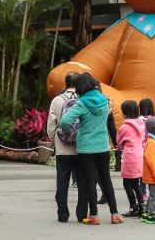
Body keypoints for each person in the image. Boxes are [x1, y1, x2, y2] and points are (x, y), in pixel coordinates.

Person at [60, 72, 123, 225]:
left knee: (90, 180)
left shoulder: (81, 103)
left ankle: (94, 215)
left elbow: (65, 121)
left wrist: (71, 130)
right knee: (106, 179)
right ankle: (115, 214)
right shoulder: (104, 101)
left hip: (86, 148)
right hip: (103, 146)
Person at [46, 71, 81, 223]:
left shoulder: (57, 100)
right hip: (81, 148)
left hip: (62, 148)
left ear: (65, 83)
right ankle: (81, 213)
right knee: (83, 182)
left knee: (62, 182)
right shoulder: (83, 99)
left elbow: (51, 125)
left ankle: (63, 214)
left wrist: (55, 140)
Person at [116, 100, 145, 218]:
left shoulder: (124, 127)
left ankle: (133, 207)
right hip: (139, 156)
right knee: (136, 184)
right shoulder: (142, 124)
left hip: (129, 158)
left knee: (127, 184)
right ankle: (141, 206)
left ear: (124, 112)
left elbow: (119, 142)